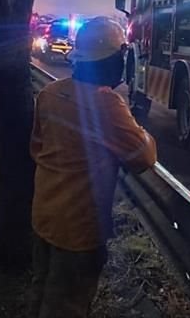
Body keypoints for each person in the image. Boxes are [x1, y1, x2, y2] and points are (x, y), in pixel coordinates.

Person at [28, 17, 158, 318]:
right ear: (112, 60)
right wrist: (137, 123)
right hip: (78, 230)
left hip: (44, 216)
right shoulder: (107, 104)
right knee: (67, 305)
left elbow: (37, 148)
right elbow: (144, 156)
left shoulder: (50, 93)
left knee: (41, 291)